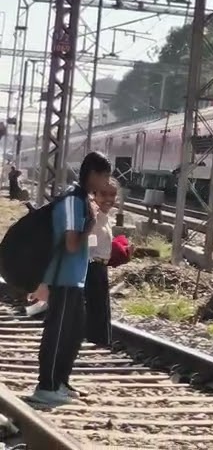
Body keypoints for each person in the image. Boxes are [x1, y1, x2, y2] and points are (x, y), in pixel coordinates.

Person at [29, 151, 112, 406]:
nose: (106, 184)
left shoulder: (81, 199)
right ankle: (47, 386)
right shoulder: (74, 200)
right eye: (105, 177)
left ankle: (61, 382)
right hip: (62, 277)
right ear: (94, 174)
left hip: (74, 278)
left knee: (73, 333)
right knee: (58, 331)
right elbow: (72, 244)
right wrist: (91, 223)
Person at [84, 178, 119, 350]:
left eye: (112, 194)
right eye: (104, 194)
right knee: (94, 307)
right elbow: (87, 242)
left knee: (100, 308)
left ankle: (98, 343)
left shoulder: (105, 217)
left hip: (100, 267)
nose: (109, 199)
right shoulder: (93, 215)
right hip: (91, 267)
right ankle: (92, 343)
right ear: (94, 194)